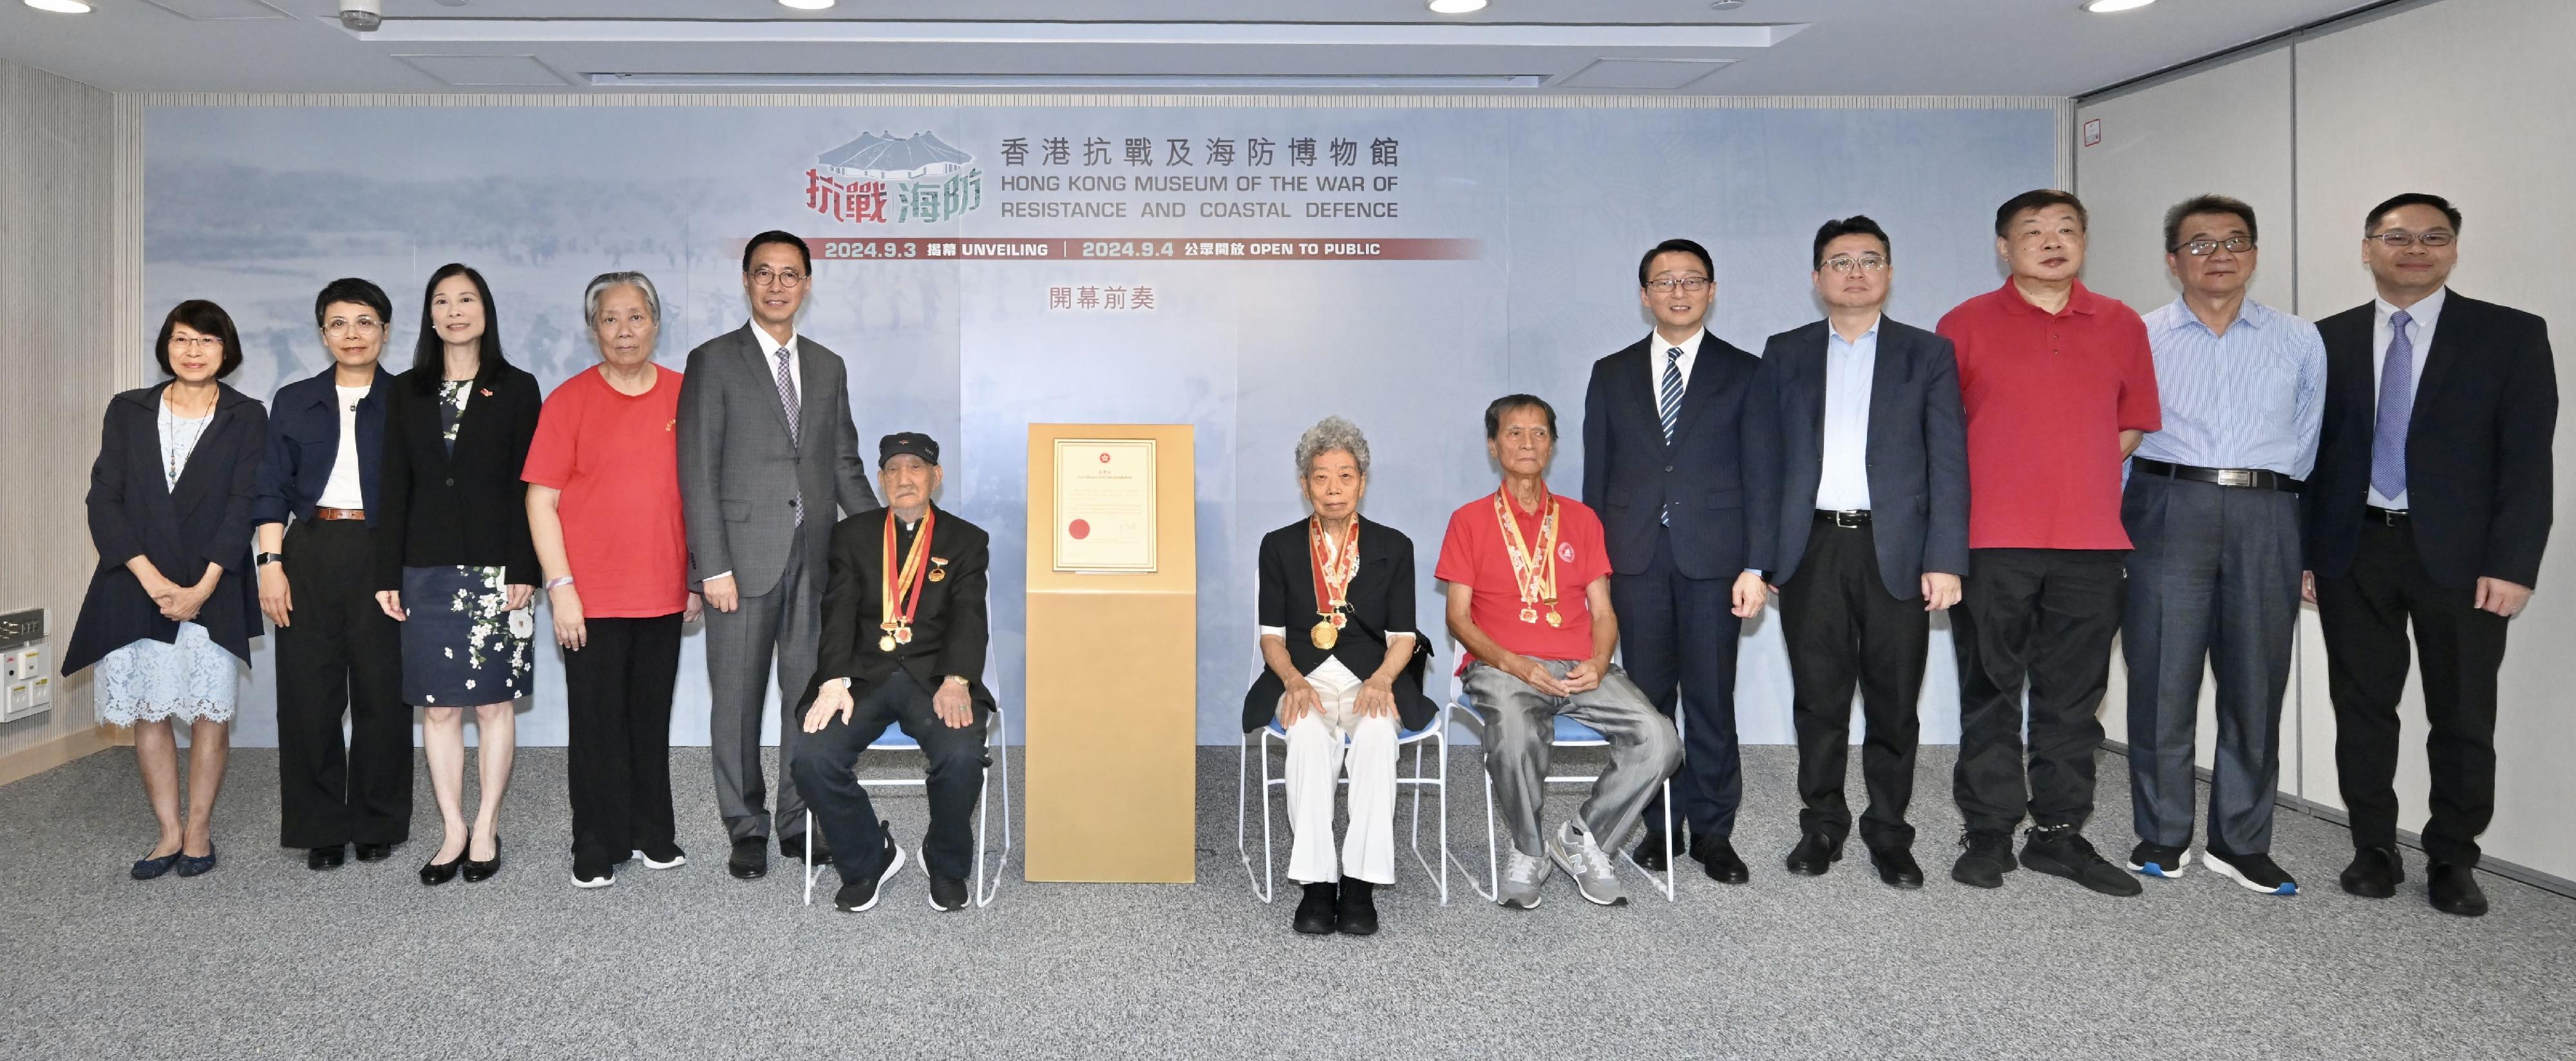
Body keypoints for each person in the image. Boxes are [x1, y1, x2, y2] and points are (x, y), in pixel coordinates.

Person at [2307, 193, 2557, 917]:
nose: (2414, 248)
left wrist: (2514, 564)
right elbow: (2311, 456)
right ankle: (2373, 847)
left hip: (2464, 558)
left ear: (2452, 249)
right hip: (2353, 547)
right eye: (2396, 237)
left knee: (2462, 714)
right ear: (2366, 247)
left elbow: (2525, 462)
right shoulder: (2327, 339)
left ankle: (2453, 856)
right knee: (2360, 708)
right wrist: (2305, 552)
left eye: (2433, 236)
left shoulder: (2508, 335)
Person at [1936, 189, 2159, 897]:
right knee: (1991, 691)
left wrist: (2073, 470)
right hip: (1991, 541)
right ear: (2004, 247)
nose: (2052, 241)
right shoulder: (1963, 323)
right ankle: (1989, 831)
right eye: (2033, 231)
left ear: (2084, 242)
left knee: (2072, 700)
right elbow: (1942, 436)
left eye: (2067, 229)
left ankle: (2059, 835)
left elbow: (2129, 427)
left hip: (2091, 544)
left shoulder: (2121, 322)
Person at [1756, 216, 1968, 890]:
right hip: (1811, 546)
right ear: (1817, 279)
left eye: (1869, 259)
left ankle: (1889, 833)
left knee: (1893, 700)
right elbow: (1764, 464)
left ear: (1889, 273)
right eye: (1839, 261)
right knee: (1818, 700)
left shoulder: (1926, 353)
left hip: (1897, 549)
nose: (1855, 272)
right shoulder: (1784, 352)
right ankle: (1820, 825)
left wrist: (1946, 556)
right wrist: (1762, 559)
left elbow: (1949, 464)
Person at [2121, 196, 2325, 897]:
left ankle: (2239, 842)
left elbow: (2309, 437)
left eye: (2236, 241)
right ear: (2173, 260)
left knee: (2254, 681)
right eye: (2201, 244)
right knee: (2159, 680)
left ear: (2255, 253)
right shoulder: (2138, 334)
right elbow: (2117, 437)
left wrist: (2289, 526)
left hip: (2266, 510)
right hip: (2166, 502)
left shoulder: (2299, 339)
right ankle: (2161, 833)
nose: (2220, 255)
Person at [680, 229, 876, 881]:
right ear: (745, 281)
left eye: (789, 274)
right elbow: (698, 469)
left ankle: (797, 820)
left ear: (807, 284)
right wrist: (711, 565)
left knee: (807, 696)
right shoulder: (712, 360)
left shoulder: (828, 365)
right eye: (763, 273)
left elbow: (842, 462)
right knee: (735, 701)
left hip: (815, 561)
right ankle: (745, 826)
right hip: (739, 560)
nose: (776, 285)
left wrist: (884, 539)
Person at [1439, 394, 1683, 910]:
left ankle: (1583, 838)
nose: (1528, 442)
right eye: (1514, 432)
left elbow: (1603, 612)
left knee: (1660, 738)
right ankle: (1528, 849)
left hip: (1580, 666)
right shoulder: (1469, 520)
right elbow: (1457, 617)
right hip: (1504, 667)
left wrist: (1598, 661)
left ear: (1551, 445)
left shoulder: (1581, 519)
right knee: (1512, 731)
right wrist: (1513, 662)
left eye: (1539, 433)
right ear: (1492, 444)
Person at [1580, 238, 1776, 884]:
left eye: (1692, 280)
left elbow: (1761, 477)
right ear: (1644, 295)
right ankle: (1659, 830)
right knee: (1647, 704)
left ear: (1711, 291)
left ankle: (1715, 833)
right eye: (1664, 281)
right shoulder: (1610, 373)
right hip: (1634, 561)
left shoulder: (1745, 372)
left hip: (1716, 562)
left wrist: (1757, 564)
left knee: (1712, 700)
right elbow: (1596, 480)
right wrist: (1594, 572)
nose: (1679, 291)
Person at [64, 301, 267, 881]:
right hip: (136, 583)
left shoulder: (247, 415)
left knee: (208, 712)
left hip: (213, 583)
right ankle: (168, 831)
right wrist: (153, 582)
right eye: (182, 339)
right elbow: (104, 498)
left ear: (225, 350)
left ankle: (198, 829)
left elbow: (243, 504)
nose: (193, 350)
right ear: (166, 347)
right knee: (148, 711)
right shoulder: (128, 409)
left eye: (206, 340)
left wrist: (201, 588)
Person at [526, 272, 703, 889]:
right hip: (590, 594)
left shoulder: (688, 395)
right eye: (610, 318)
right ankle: (595, 841)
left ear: (656, 323)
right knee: (597, 721)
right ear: (592, 328)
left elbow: (704, 496)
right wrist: (560, 586)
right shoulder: (568, 400)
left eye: (636, 317)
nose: (624, 330)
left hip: (664, 589)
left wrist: (697, 577)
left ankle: (653, 832)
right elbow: (540, 502)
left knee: (650, 717)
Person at [374, 263, 542, 885]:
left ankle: (488, 824)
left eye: (466, 299)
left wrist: (527, 565)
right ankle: (451, 828)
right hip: (426, 569)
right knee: (439, 709)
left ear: (485, 309)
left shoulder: (518, 387)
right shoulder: (407, 390)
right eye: (442, 301)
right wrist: (387, 568)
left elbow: (534, 486)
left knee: (495, 704)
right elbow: (393, 484)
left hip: (501, 570)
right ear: (430, 315)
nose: (454, 311)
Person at [1244, 416, 1435, 935]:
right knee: (1305, 734)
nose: (1333, 489)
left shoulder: (1394, 545)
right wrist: (1290, 680)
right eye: (1321, 476)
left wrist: (1381, 681)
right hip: (1302, 674)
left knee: (1376, 733)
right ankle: (1316, 883)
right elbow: (1271, 637)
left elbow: (1403, 638)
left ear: (1363, 482)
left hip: (1371, 674)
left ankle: (1360, 882)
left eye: (1345, 476)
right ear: (1304, 484)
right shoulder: (1279, 545)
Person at [790, 433, 992, 913]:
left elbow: (969, 616)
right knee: (812, 757)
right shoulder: (853, 534)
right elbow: (836, 612)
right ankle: (867, 858)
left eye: (916, 468)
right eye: (894, 470)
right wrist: (832, 680)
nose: (905, 478)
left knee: (963, 754)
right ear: (881, 481)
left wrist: (957, 679)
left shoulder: (966, 540)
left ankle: (944, 862)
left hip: (934, 677)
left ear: (935, 477)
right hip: (863, 677)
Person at [250, 278, 408, 872]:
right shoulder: (293, 400)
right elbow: (268, 490)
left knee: (382, 694)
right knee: (309, 696)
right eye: (339, 323)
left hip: (382, 551)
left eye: (365, 321)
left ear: (385, 331)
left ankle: (376, 820)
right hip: (310, 549)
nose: (352, 334)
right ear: (323, 334)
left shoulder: (410, 398)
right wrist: (271, 565)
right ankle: (319, 825)